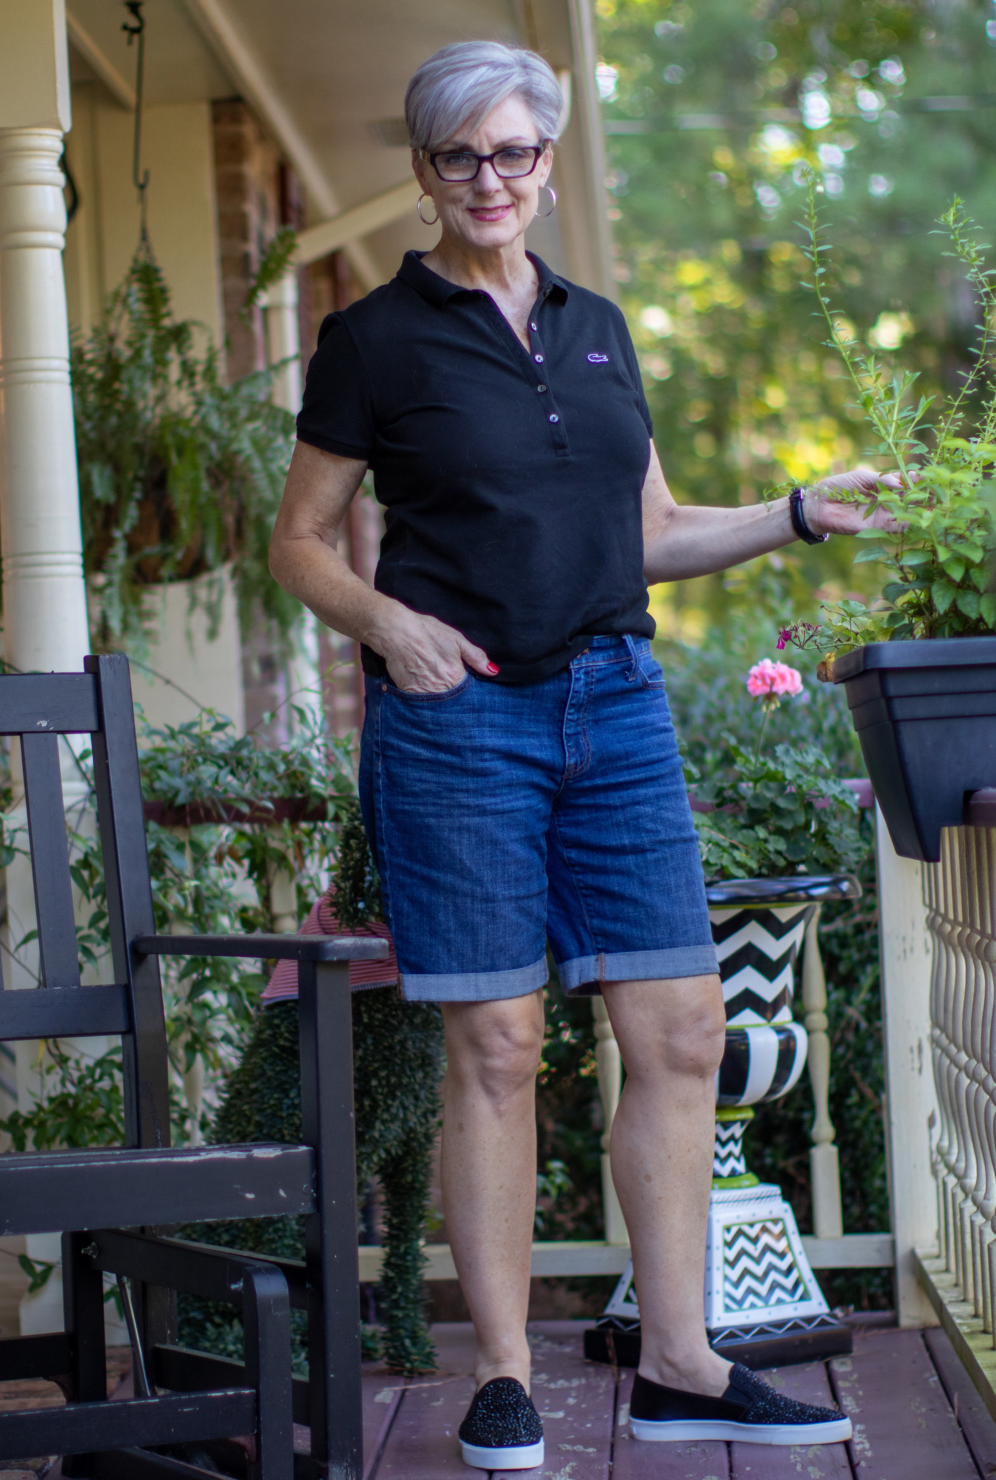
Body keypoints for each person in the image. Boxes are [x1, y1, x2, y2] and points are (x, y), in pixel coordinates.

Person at [269, 40, 892, 1469]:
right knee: (494, 1044)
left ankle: (679, 1362)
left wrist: (796, 511)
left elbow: (649, 534)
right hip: (461, 719)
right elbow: (297, 542)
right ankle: (499, 1374)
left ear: (547, 159)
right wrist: (386, 625)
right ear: (424, 172)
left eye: (511, 152)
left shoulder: (599, 326)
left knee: (678, 1032)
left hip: (614, 706)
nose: (487, 179)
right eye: (456, 156)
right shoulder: (373, 339)